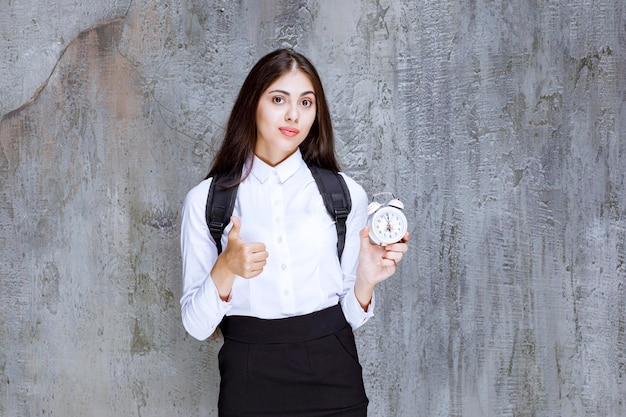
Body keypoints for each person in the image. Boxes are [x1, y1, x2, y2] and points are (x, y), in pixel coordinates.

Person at [180, 48, 409, 417]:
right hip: (248, 380)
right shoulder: (206, 201)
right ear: (252, 105)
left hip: (334, 377)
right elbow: (196, 325)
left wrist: (366, 281)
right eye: (278, 99)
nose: (293, 115)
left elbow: (349, 316)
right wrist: (226, 268)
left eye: (306, 102)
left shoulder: (345, 194)